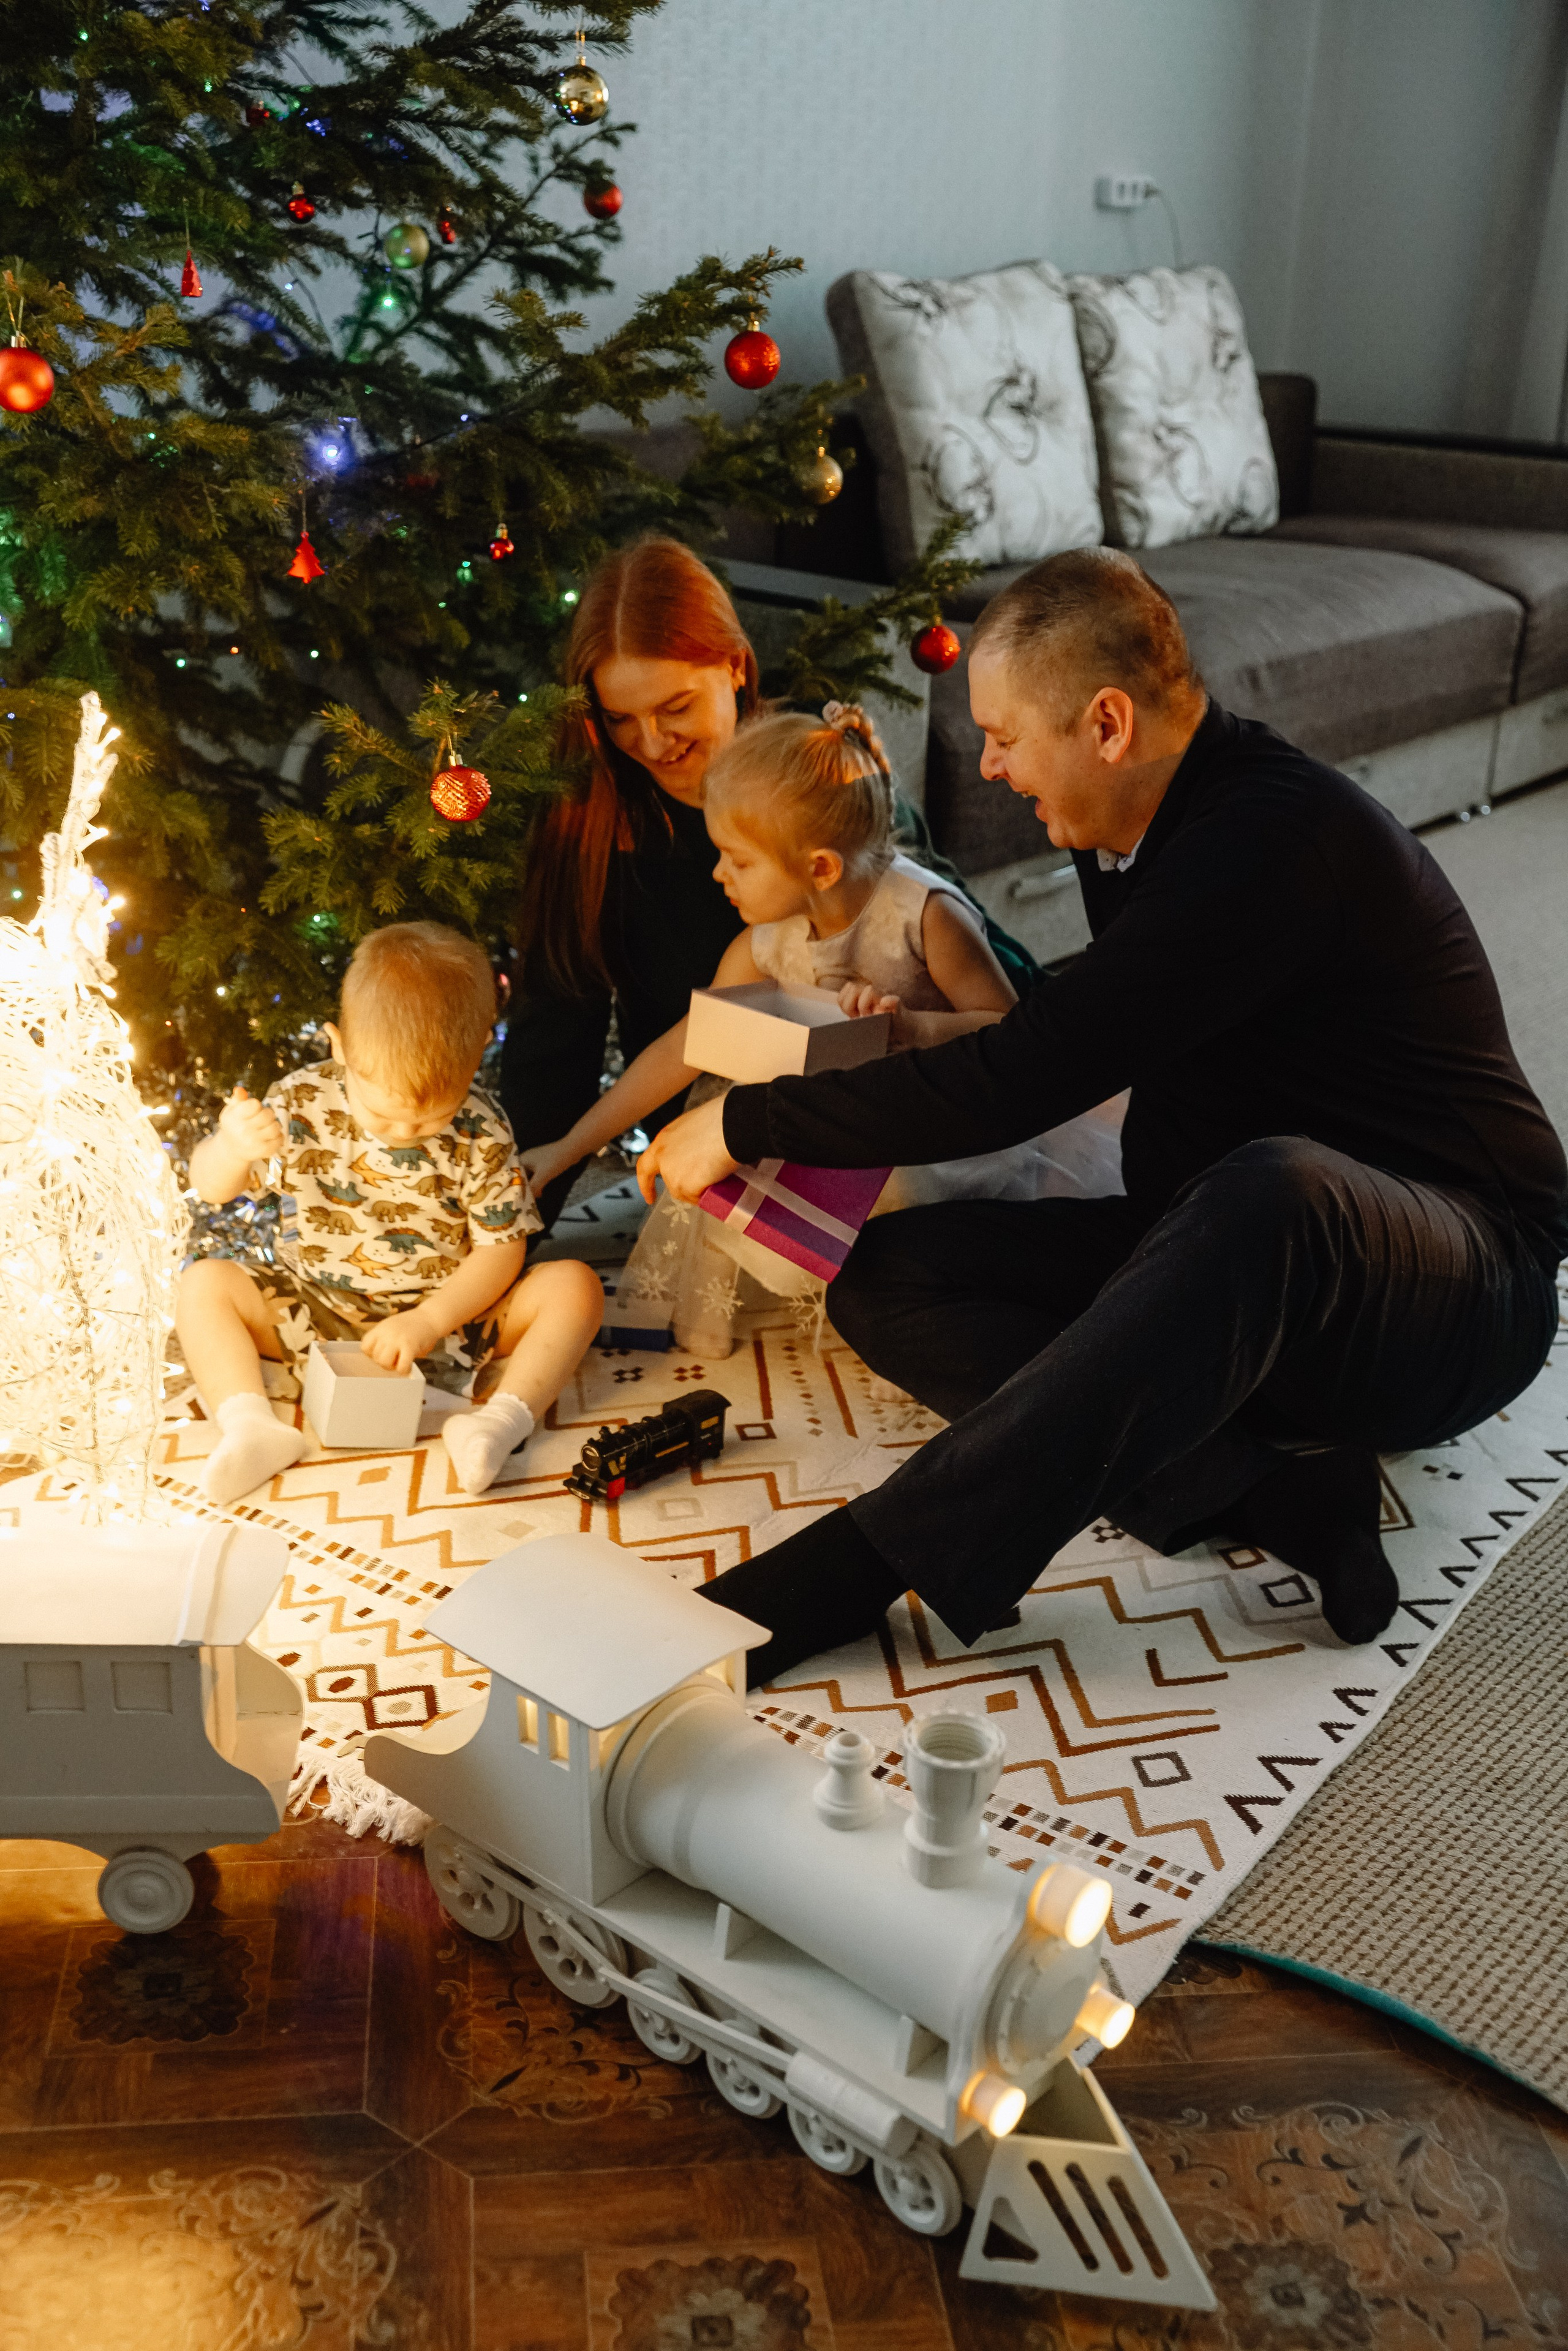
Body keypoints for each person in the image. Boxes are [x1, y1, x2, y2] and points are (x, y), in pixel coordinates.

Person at [635, 548, 1568, 1681]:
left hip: (1450, 1288)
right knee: (891, 1276)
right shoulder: (1135, 821)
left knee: (1277, 1183)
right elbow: (1070, 1033)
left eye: (1007, 735)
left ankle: (864, 1560)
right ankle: (1275, 1486)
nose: (988, 763)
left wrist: (749, 1122)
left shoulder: (1267, 843)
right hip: (1230, 1266)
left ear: (1109, 724)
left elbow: (1025, 1074)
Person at [521, 704, 1115, 1353]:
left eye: (737, 861)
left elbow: (1009, 1029)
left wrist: (910, 1027)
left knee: (903, 1200)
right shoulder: (765, 938)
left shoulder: (924, 916)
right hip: (822, 1119)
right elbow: (688, 1044)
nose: (718, 874)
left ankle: (910, 1295)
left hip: (931, 1123)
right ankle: (711, 1312)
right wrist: (570, 1148)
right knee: (719, 1162)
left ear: (821, 867)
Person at [501, 534, 1035, 1232]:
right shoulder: (595, 815)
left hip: (883, 1102)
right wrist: (522, 1207)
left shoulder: (813, 774)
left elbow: (944, 933)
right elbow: (567, 1026)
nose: (653, 742)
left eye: (675, 706)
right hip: (713, 1115)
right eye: (620, 719)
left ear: (733, 666)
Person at [176, 922, 603, 1506]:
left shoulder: (484, 1126)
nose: (405, 1133)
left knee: (575, 1287)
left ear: (482, 1046)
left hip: (452, 1323)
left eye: (430, 1120)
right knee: (204, 1283)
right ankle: (250, 1424)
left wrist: (428, 1321)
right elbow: (212, 1189)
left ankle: (498, 1423)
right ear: (339, 1046)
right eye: (383, 1112)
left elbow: (502, 1249)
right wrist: (230, 1148)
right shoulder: (299, 1103)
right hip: (314, 1314)